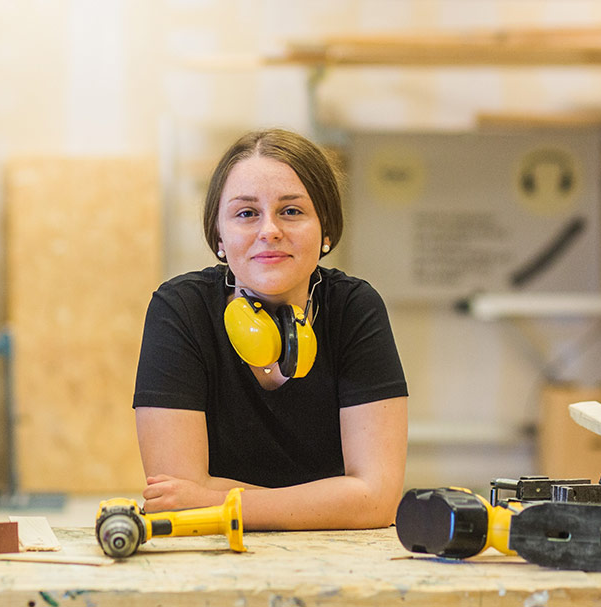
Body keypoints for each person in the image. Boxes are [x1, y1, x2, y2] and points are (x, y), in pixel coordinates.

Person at [133, 129, 408, 531]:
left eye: (292, 211)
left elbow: (377, 501)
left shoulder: (355, 309)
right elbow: (175, 495)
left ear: (326, 229)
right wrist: (332, 501)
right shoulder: (180, 310)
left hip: (332, 559)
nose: (269, 231)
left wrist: (210, 501)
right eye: (246, 213)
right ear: (219, 237)